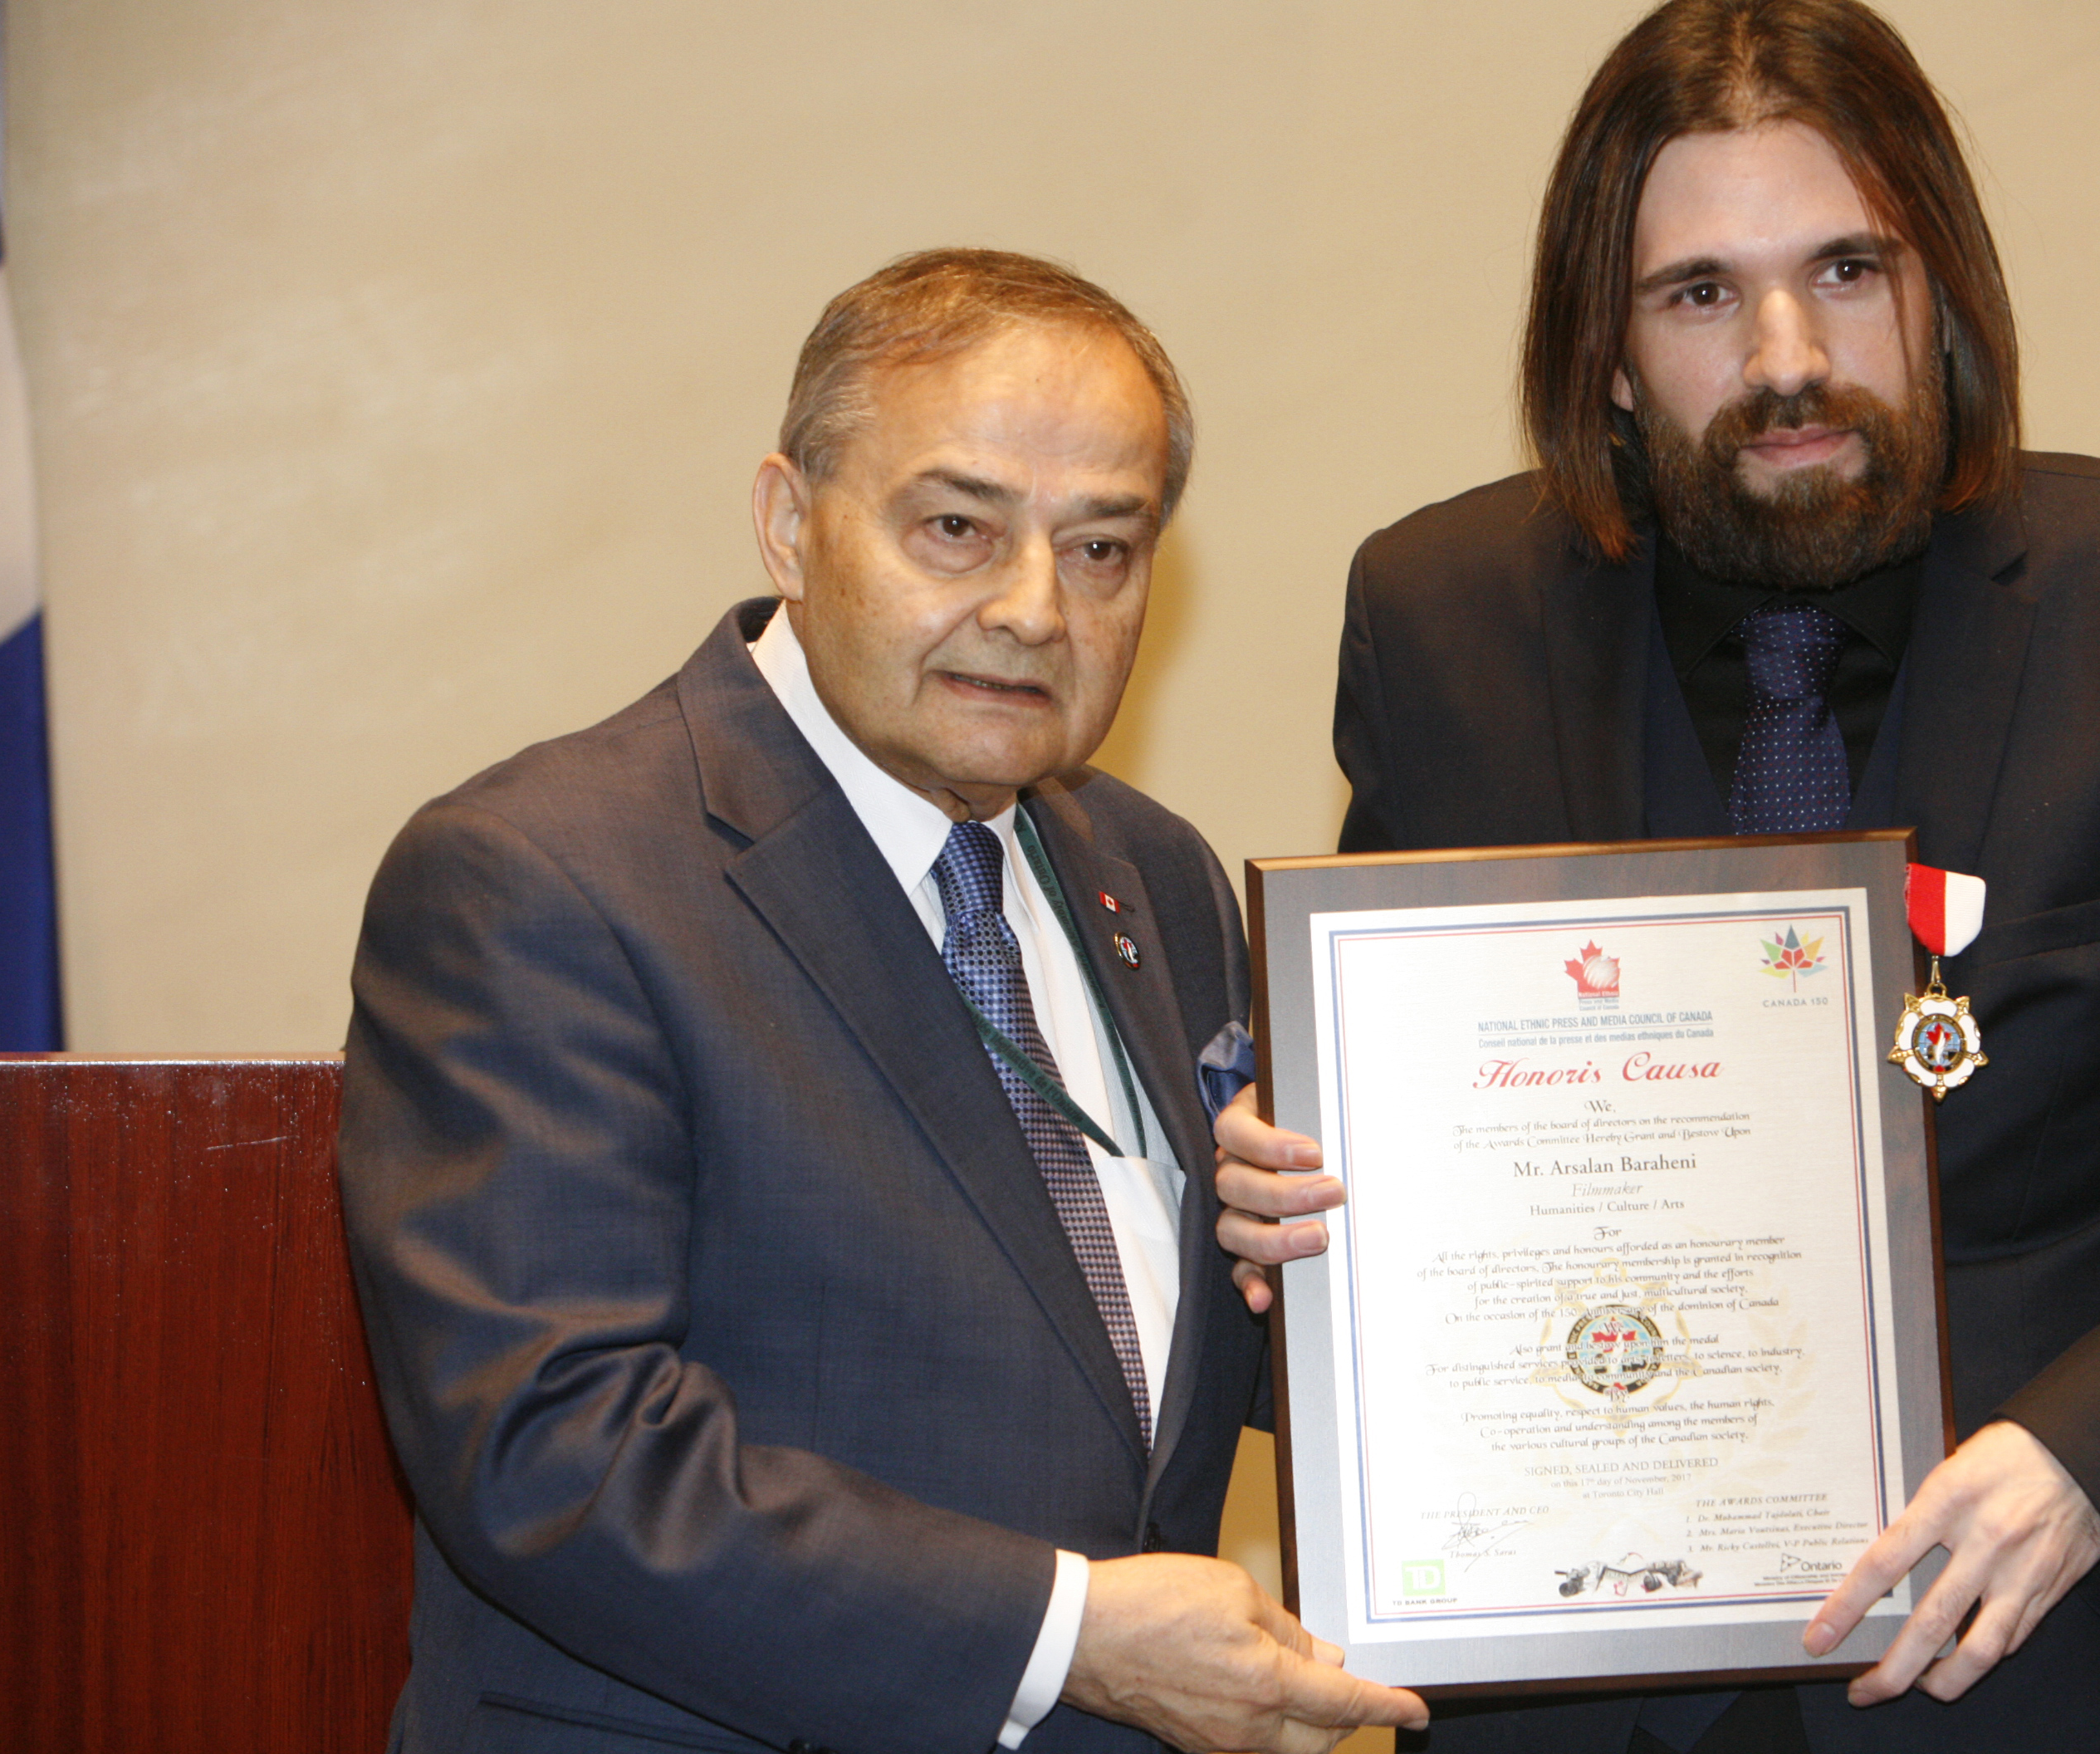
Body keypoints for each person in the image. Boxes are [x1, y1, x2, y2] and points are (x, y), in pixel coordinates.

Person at [1209, 4, 2100, 1752]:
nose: (1788, 358)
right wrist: (1298, 1188)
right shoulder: (1439, 618)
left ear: (1942, 295)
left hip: (2041, 1677)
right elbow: (1408, 1127)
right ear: (1607, 353)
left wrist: (2099, 1457)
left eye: (1847, 270)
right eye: (1700, 293)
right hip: (1564, 1685)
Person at [338, 248, 1428, 1754]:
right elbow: (549, 1447)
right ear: (791, 525)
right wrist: (1066, 1639)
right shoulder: (540, 877)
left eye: (1102, 549)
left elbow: (1128, 1369)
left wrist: (1294, 1269)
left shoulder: (1156, 875)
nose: (1035, 609)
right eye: (958, 528)